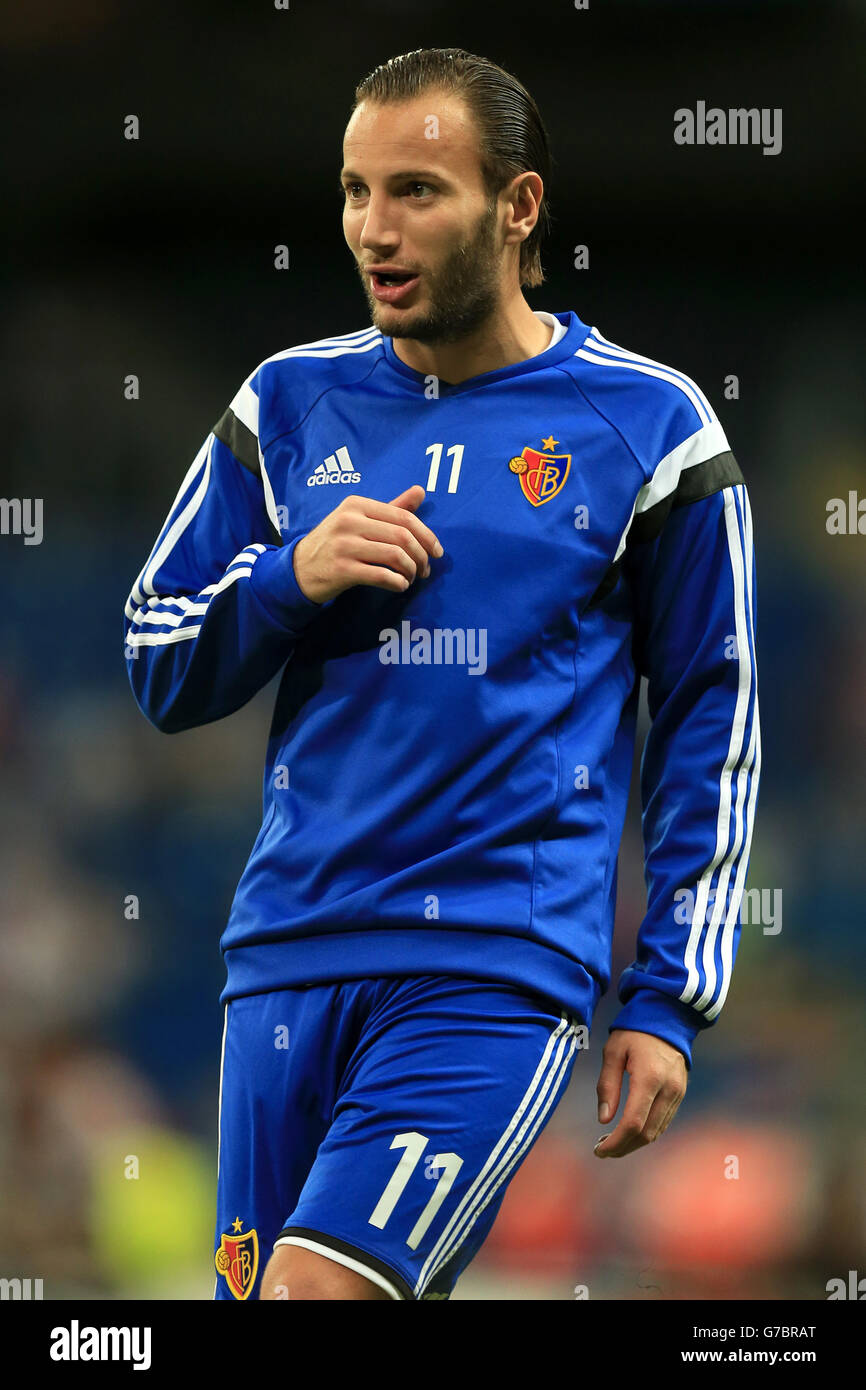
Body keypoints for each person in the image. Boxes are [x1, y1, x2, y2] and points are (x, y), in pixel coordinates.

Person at [123, 47, 760, 1301]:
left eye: (416, 189)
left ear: (518, 209)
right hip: (286, 955)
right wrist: (285, 577)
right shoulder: (288, 402)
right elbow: (157, 659)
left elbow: (710, 717)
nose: (373, 228)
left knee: (321, 1292)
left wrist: (667, 996)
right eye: (355, 191)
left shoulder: (650, 427)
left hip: (490, 963)